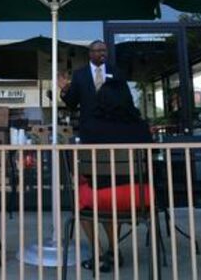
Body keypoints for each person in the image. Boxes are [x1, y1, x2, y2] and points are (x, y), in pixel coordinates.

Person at [76, 78, 152, 273]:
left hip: (103, 195)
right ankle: (113, 250)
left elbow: (85, 169)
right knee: (110, 195)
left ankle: (99, 254)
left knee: (84, 196)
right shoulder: (141, 126)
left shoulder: (90, 126)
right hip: (140, 195)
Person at [59, 40, 119, 142]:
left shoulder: (115, 72)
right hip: (89, 130)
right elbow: (72, 104)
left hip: (112, 129)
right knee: (89, 158)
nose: (103, 53)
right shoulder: (79, 75)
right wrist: (64, 90)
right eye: (99, 50)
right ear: (90, 53)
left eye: (104, 50)